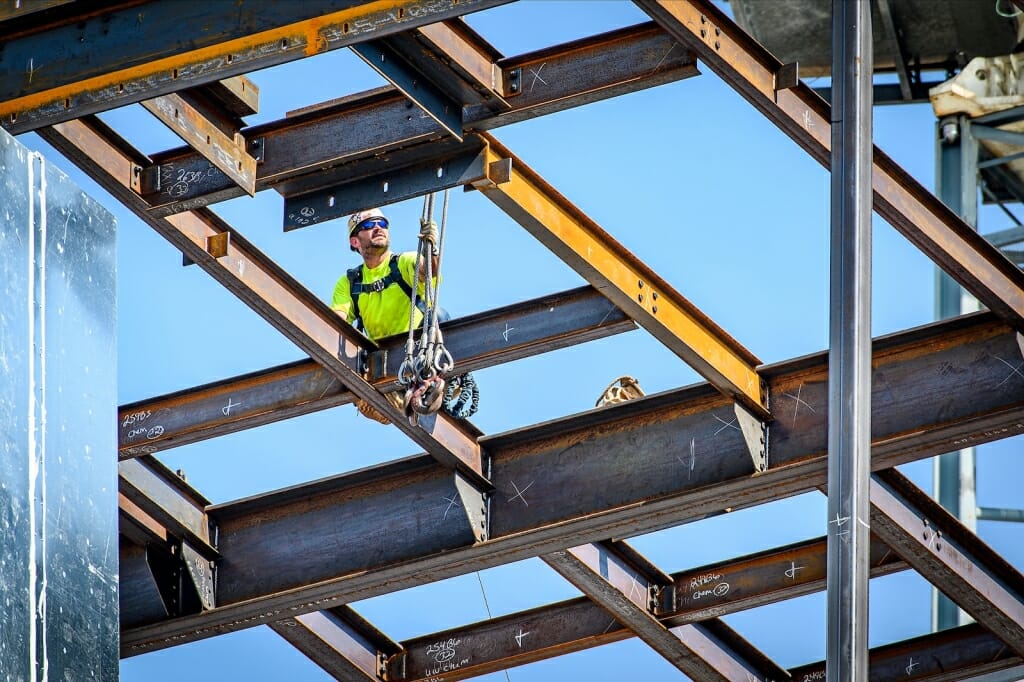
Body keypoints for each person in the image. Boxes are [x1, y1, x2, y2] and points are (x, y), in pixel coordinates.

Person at [331, 207, 440, 342]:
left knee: (440, 316)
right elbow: (336, 323)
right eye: (369, 225)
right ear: (355, 242)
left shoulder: (404, 262)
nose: (378, 228)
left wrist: (432, 248)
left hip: (418, 345)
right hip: (380, 355)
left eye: (382, 224)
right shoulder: (350, 282)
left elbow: (430, 272)